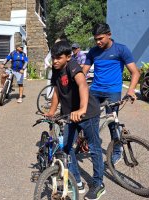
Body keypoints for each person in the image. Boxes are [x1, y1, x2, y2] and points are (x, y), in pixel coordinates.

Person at [45, 40, 105, 200]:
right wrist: (51, 111)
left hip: (88, 113)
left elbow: (83, 85)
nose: (55, 61)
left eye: (59, 58)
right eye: (53, 58)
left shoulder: (73, 66)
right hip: (70, 114)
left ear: (68, 56)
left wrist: (82, 109)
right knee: (66, 147)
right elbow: (57, 91)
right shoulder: (56, 68)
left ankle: (99, 184)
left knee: (94, 148)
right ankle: (77, 181)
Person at [82, 23, 140, 165]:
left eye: (100, 38)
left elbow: (135, 72)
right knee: (89, 119)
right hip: (95, 90)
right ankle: (90, 142)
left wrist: (131, 90)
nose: (98, 42)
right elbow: (82, 72)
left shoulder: (121, 49)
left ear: (109, 34)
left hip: (112, 92)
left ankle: (116, 151)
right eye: (96, 39)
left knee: (112, 124)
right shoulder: (93, 51)